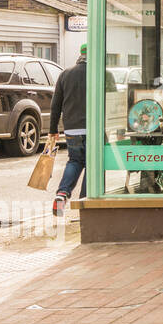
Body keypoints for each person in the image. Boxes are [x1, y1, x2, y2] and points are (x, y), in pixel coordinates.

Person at [48, 43, 117, 217]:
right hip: (95, 128)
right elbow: (113, 103)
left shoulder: (66, 74)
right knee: (95, 165)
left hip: (72, 129)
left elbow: (56, 105)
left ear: (81, 54)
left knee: (75, 161)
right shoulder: (104, 74)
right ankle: (86, 204)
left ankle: (62, 194)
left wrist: (52, 130)